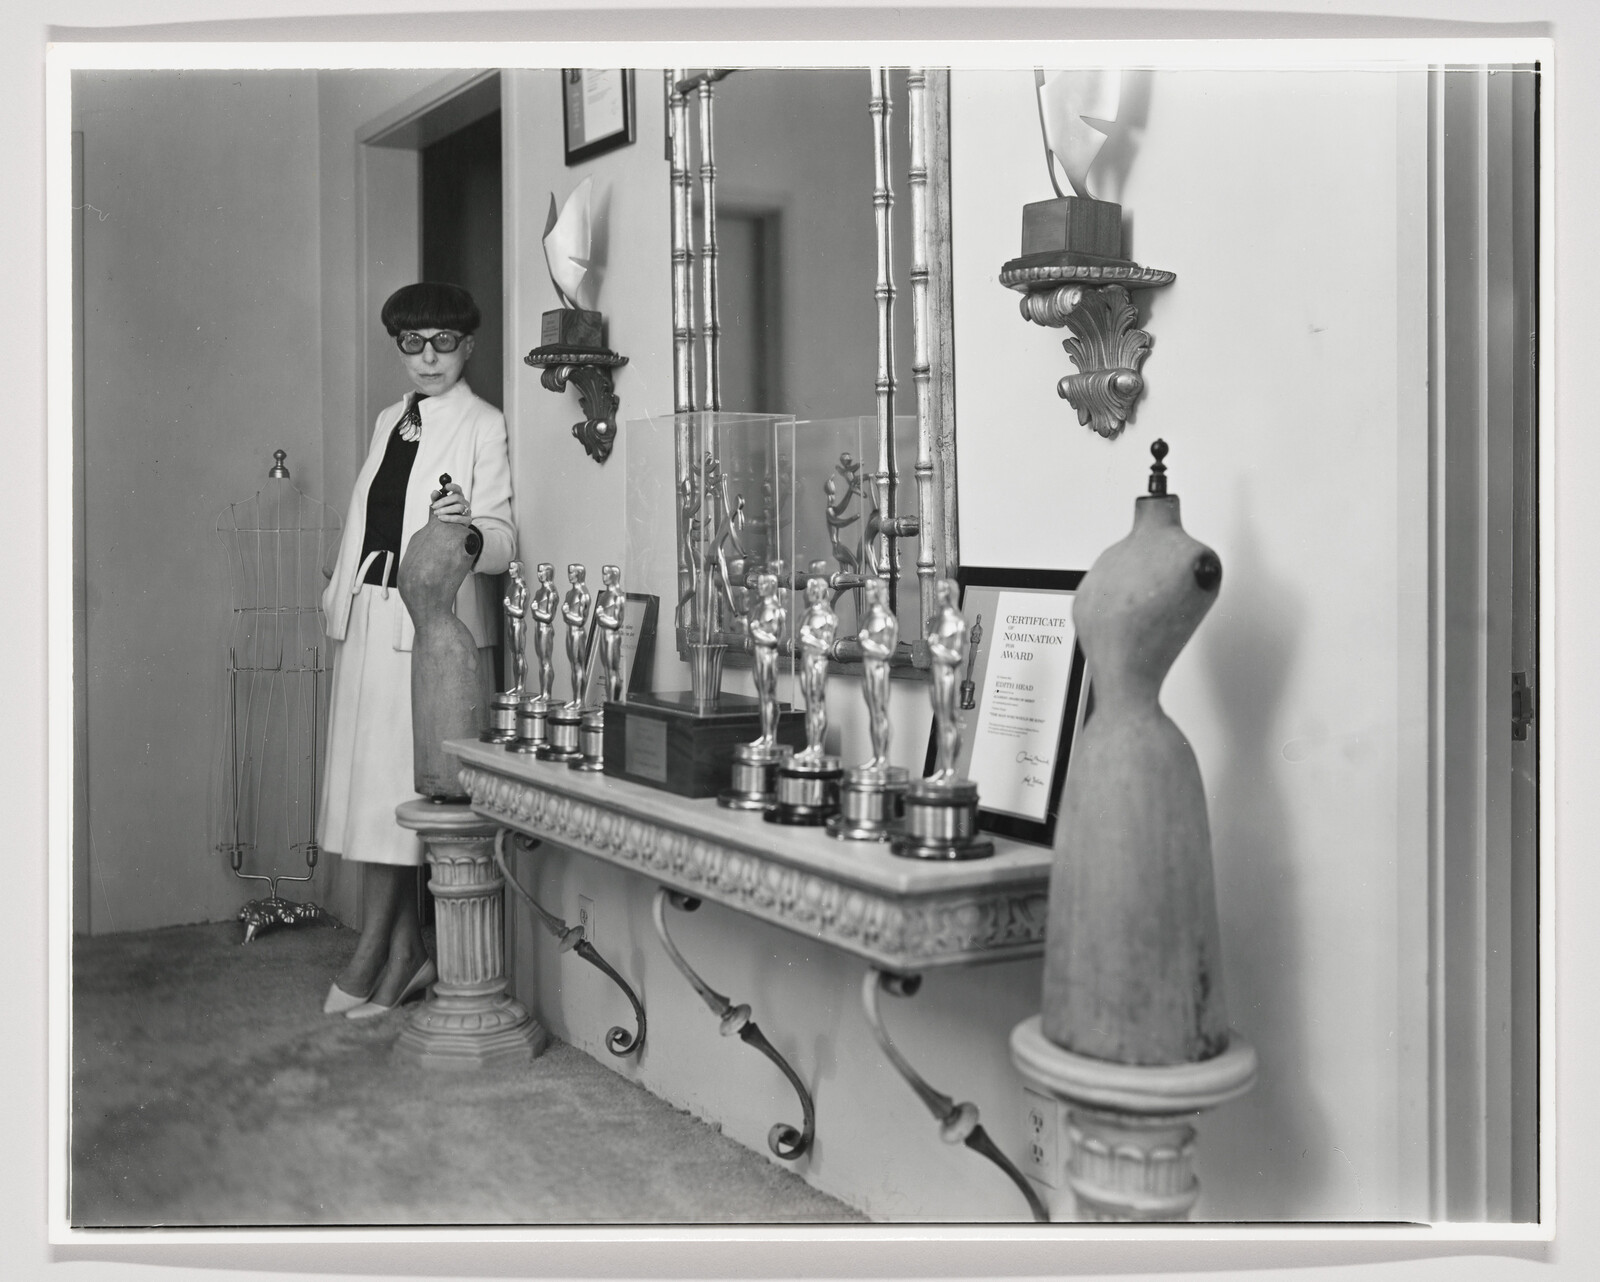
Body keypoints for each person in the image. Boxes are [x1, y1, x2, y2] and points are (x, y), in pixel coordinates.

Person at [317, 282, 515, 1019]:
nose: (428, 358)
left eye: (444, 343)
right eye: (413, 343)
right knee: (372, 795)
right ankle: (404, 952)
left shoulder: (483, 424)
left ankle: (379, 952)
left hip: (428, 630)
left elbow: (503, 541)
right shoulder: (388, 420)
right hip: (371, 615)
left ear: (468, 346)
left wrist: (467, 529)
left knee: (399, 792)